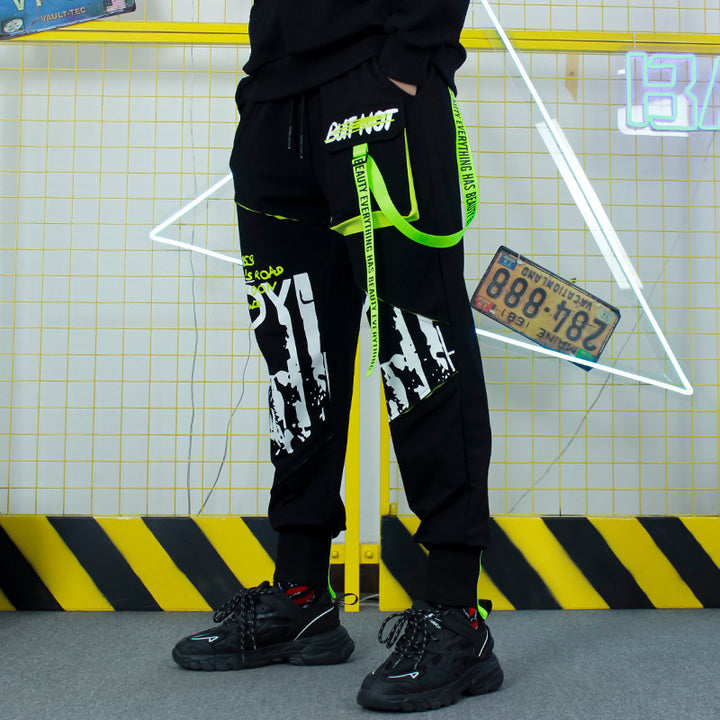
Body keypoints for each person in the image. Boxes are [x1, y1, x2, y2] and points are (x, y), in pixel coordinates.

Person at [172, 0, 503, 712]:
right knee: (296, 357)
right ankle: (301, 598)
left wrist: (408, 62)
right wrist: (261, 85)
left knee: (419, 348)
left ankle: (456, 615)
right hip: (274, 103)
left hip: (377, 85)